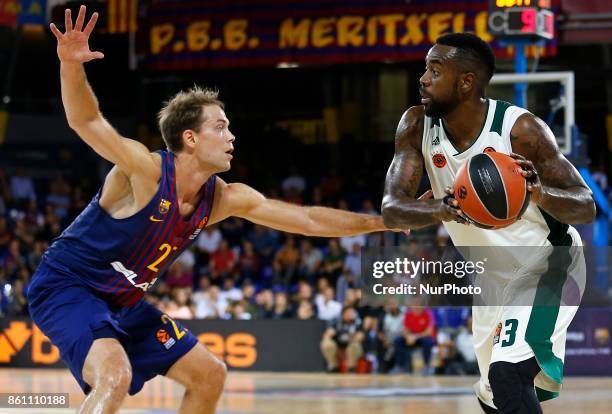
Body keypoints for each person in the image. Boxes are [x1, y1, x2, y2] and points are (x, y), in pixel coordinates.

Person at [27, 6, 397, 414]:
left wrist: (380, 222)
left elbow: (307, 219)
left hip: (122, 300)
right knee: (114, 377)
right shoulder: (145, 171)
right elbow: (86, 120)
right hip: (66, 285)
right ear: (189, 138)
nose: (231, 136)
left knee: (210, 375)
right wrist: (70, 65)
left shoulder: (222, 197)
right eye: (220, 127)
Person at [382, 32, 595, 413]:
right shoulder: (416, 125)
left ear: (466, 81)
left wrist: (539, 194)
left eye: (434, 70)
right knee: (493, 396)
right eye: (425, 69)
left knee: (508, 374)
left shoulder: (520, 130)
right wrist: (443, 208)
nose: (422, 79)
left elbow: (585, 206)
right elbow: (392, 209)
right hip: (490, 280)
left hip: (547, 263)